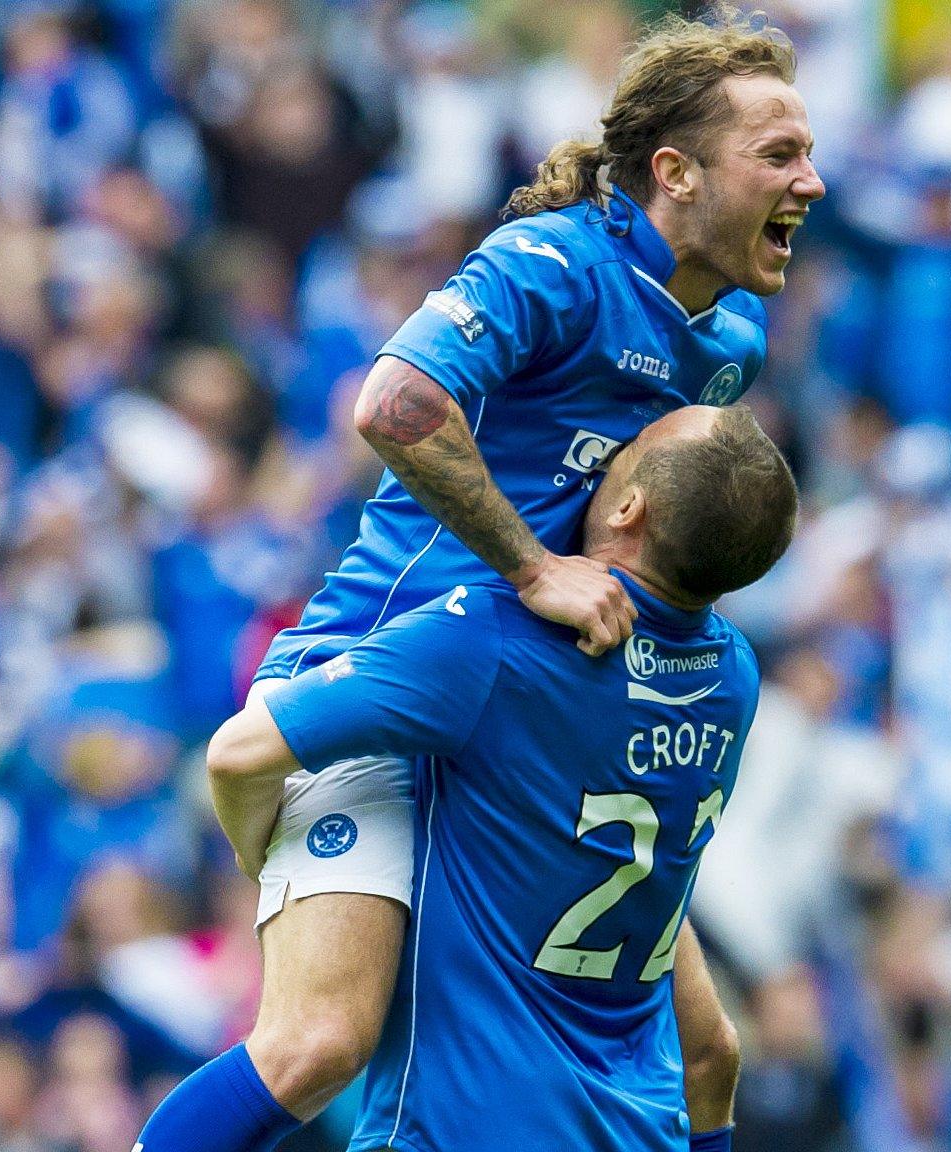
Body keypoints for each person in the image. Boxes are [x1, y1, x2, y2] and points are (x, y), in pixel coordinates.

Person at [134, 7, 824, 1152]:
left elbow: (667, 523)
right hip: (393, 671)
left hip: (530, 716)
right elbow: (392, 407)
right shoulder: (549, 263)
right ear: (676, 172)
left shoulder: (730, 343)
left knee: (710, 1050)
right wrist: (532, 568)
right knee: (320, 1046)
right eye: (779, 155)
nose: (810, 180)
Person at [209, 404, 799, 1150]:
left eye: (632, 446)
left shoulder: (497, 641)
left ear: (628, 505)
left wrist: (252, 849)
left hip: (464, 1128)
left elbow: (237, 755)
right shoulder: (736, 677)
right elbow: (710, 1055)